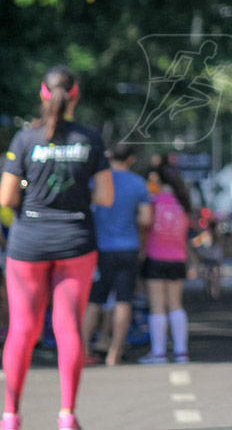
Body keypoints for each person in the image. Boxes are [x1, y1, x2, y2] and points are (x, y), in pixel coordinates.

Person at [0, 66, 114, 430]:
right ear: (75, 95)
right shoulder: (91, 139)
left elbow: (5, 197)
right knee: (68, 328)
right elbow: (107, 196)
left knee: (22, 329)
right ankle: (66, 415)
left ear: (42, 94)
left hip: (28, 244)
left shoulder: (24, 138)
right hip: (75, 242)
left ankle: (10, 416)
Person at [83, 143, 153, 367]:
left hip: (100, 249)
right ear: (131, 159)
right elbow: (146, 219)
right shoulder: (138, 183)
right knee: (124, 301)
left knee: (94, 301)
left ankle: (83, 350)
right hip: (128, 248)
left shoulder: (96, 181)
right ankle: (115, 352)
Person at [139, 161, 192, 365]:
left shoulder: (152, 200)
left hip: (155, 257)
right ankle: (181, 351)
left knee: (157, 306)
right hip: (177, 258)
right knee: (176, 305)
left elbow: (144, 227)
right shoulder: (182, 202)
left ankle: (158, 352)